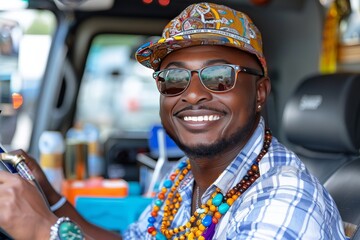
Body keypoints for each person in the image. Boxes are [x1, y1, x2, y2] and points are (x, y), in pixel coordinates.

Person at [0, 2, 347, 240]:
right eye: (175, 79)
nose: (193, 94)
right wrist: (49, 197)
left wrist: (43, 230)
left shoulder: (284, 200)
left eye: (218, 76)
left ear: (259, 92)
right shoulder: (183, 177)